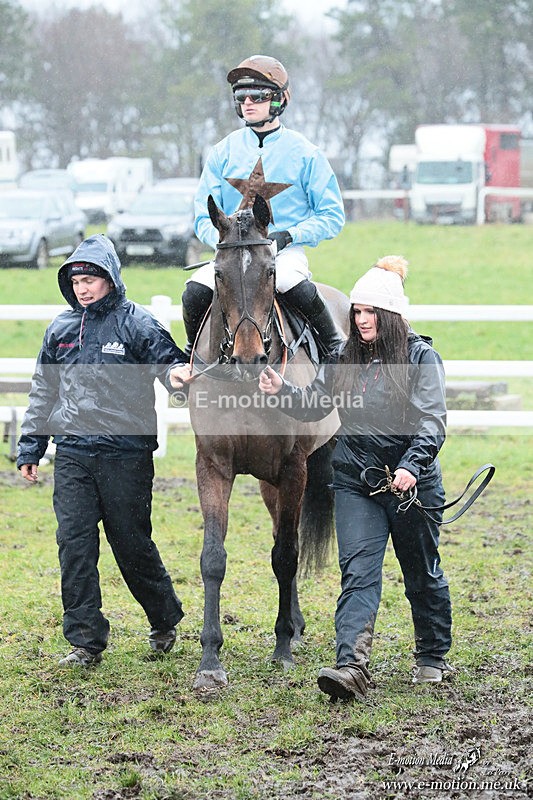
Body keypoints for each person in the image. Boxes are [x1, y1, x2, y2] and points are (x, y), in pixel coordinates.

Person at [258, 255, 454, 700]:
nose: (362, 321)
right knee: (358, 574)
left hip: (411, 485)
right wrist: (281, 390)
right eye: (358, 313)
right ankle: (351, 665)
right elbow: (314, 405)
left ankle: (431, 654)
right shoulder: (342, 357)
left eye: (371, 313)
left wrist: (410, 466)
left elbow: (431, 422)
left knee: (421, 572)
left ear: (391, 316)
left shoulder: (420, 358)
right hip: (355, 482)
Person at [17, 234, 187, 667]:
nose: (83, 288)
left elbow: (171, 366)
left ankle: (164, 618)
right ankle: (86, 642)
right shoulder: (59, 330)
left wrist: (179, 380)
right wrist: (31, 447)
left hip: (126, 456)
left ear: (110, 279)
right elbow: (44, 392)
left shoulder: (138, 324)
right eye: (76, 282)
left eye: (91, 279)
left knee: (131, 544)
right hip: (72, 454)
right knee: (74, 545)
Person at [183, 54, 345, 360]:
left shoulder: (306, 153)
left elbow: (332, 216)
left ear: (279, 100)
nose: (247, 102)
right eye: (241, 96)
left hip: (282, 251)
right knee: (194, 291)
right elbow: (203, 215)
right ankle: (191, 358)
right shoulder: (222, 151)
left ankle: (335, 350)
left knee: (290, 282)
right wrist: (222, 241)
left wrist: (289, 235)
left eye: (257, 95)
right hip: (231, 252)